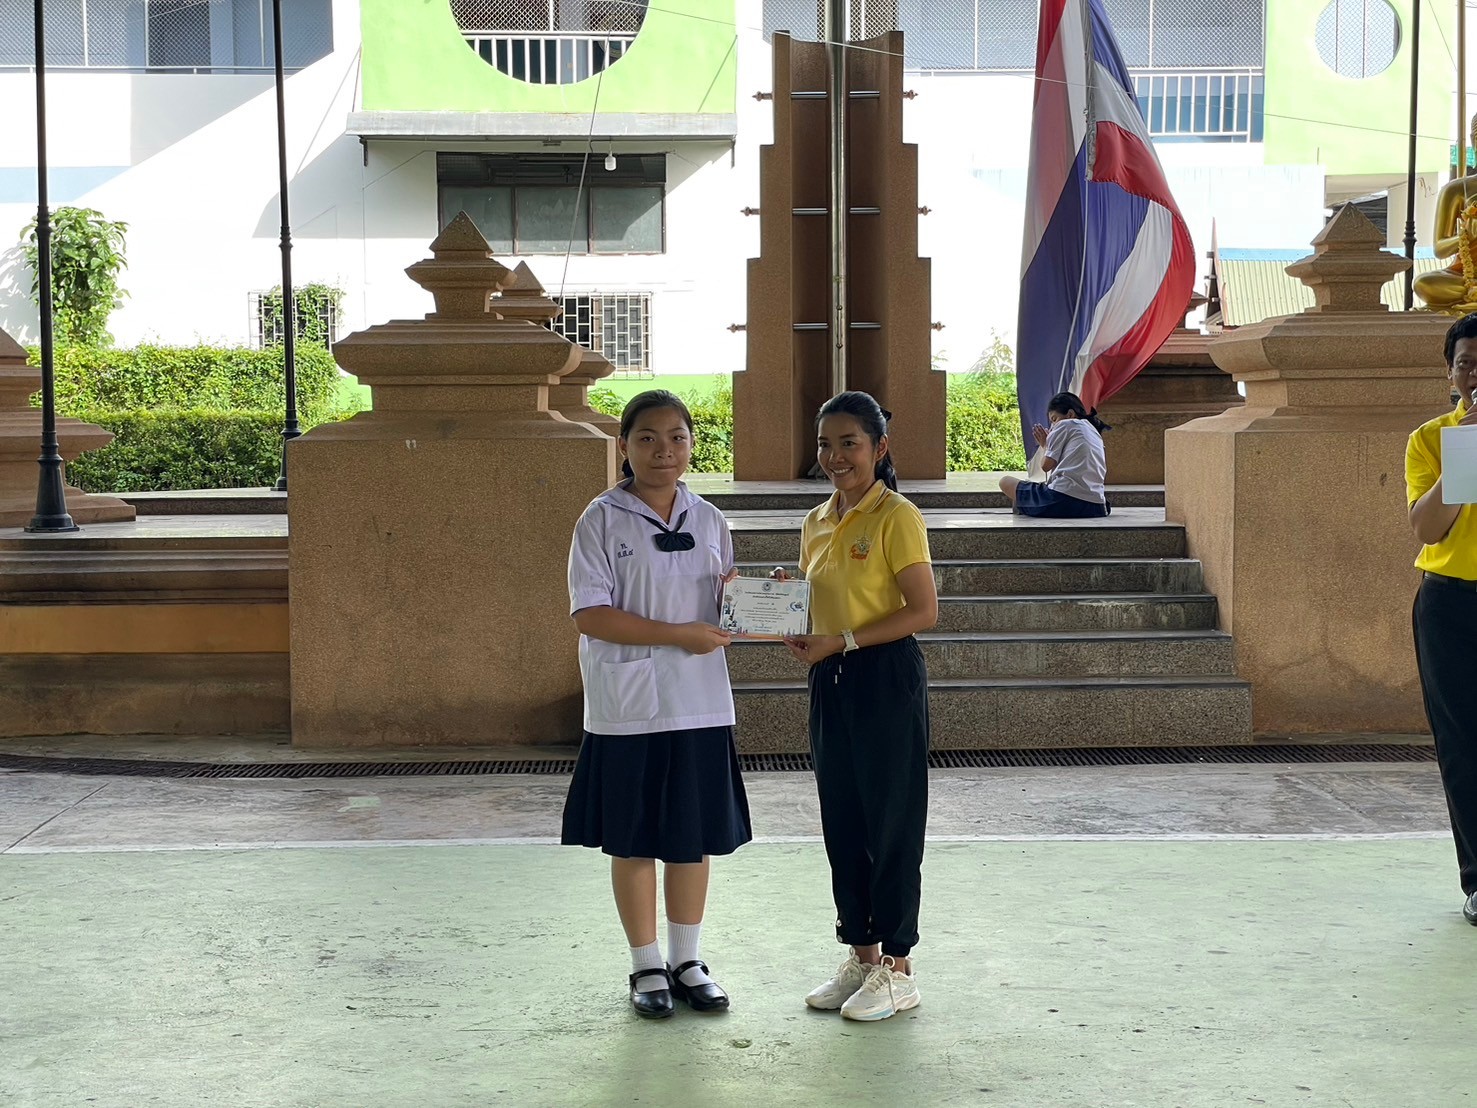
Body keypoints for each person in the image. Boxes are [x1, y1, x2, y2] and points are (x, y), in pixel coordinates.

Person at [561, 390, 753, 1018]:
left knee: (691, 837)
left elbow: (724, 606)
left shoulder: (709, 518)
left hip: (699, 701)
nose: (663, 450)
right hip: (629, 706)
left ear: (692, 444)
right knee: (635, 838)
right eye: (647, 438)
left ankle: (687, 960)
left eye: (676, 437)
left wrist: (759, 602)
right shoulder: (600, 520)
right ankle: (646, 964)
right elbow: (591, 615)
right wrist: (677, 635)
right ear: (624, 446)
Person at [776, 391, 938, 1021]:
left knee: (892, 821)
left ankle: (898, 967)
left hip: (885, 677)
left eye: (849, 443)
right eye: (825, 444)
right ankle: (862, 957)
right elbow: (814, 600)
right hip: (830, 679)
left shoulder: (897, 516)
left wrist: (841, 640)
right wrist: (787, 608)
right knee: (842, 819)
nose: (835, 456)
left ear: (879, 448)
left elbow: (922, 611)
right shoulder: (816, 520)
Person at [1407, 311, 1477, 927]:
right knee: (1462, 744)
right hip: (1451, 604)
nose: (1475, 375)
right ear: (1450, 374)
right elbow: (1429, 528)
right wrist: (1468, 450)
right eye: (1466, 364)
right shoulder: (1431, 440)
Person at [999, 391, 1112, 518]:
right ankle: (1026, 505)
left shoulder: (1065, 424)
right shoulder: (1094, 432)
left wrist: (1045, 445)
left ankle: (1025, 506)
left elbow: (1046, 466)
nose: (1053, 426)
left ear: (1070, 414)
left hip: (1062, 500)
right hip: (1097, 506)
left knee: (1005, 481)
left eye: (1054, 419)